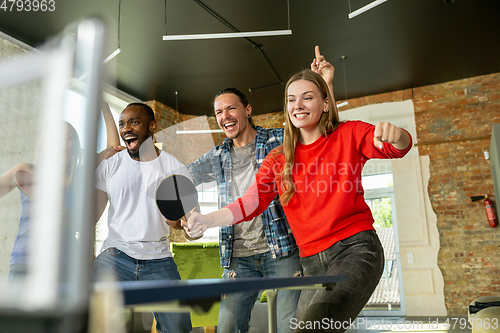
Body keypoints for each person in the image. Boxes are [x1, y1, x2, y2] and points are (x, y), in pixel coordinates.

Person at [184, 68, 412, 332]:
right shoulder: (279, 158)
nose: (298, 106)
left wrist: (398, 135)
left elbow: (397, 147)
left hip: (355, 250)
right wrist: (206, 219)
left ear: (325, 103)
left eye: (307, 98)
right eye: (291, 100)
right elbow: (248, 203)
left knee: (312, 327)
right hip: (311, 262)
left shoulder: (348, 134)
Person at [185, 46, 333, 333]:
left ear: (247, 110)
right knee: (228, 327)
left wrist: (323, 85)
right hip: (238, 257)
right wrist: (192, 212)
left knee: (290, 327)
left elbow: (321, 132)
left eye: (231, 108)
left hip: (282, 251)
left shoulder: (278, 139)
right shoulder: (216, 157)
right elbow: (181, 178)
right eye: (218, 111)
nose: (225, 115)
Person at [93, 102, 193, 333]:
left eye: (134, 122)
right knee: (92, 318)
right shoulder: (110, 165)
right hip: (115, 255)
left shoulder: (175, 168)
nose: (126, 128)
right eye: (122, 124)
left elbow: (190, 228)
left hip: (159, 258)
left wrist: (182, 226)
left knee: (179, 327)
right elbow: (91, 217)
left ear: (152, 126)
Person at [0, 103, 119, 280]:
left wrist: (105, 109)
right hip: (24, 263)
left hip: (65, 265)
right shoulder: (27, 172)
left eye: (70, 137)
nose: (64, 142)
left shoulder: (79, 178)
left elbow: (114, 151)